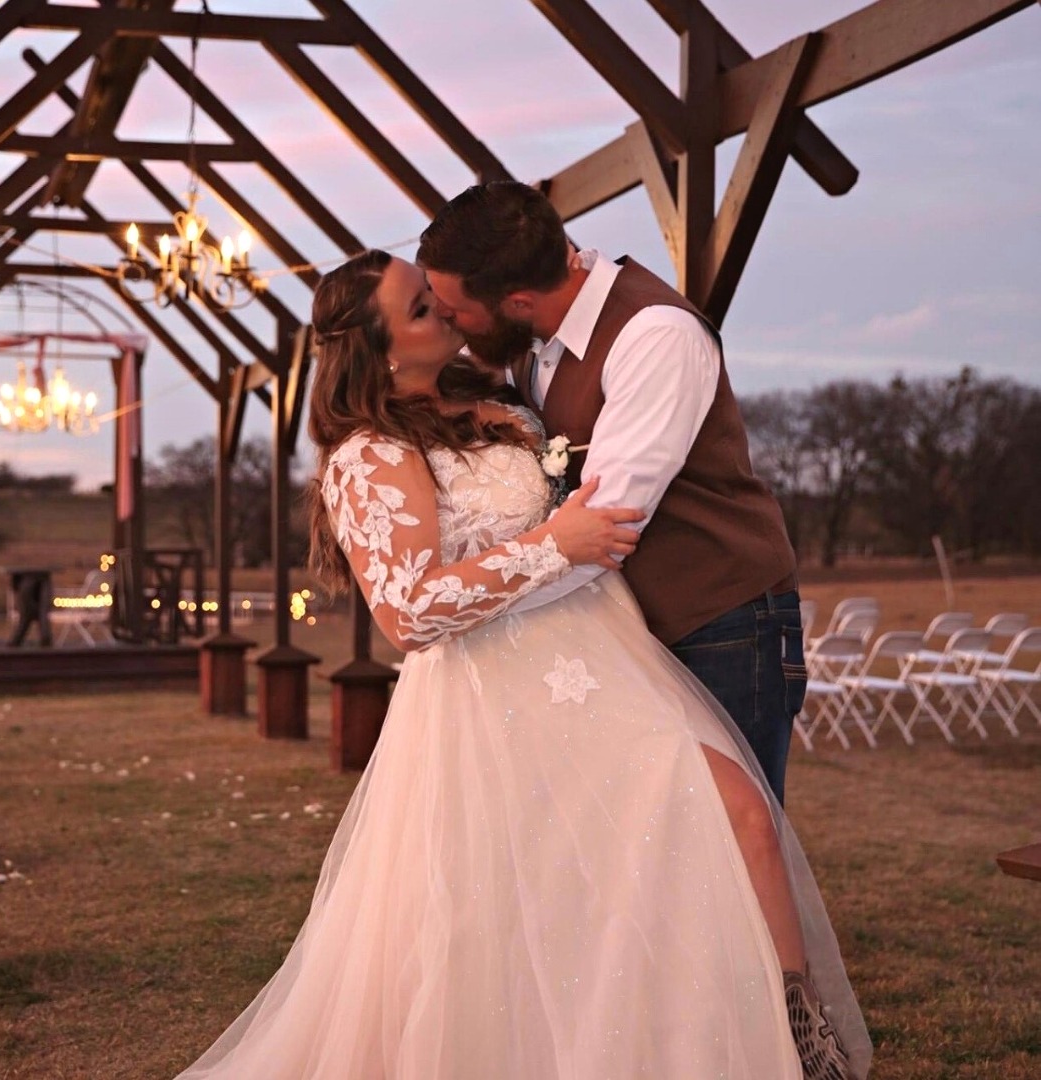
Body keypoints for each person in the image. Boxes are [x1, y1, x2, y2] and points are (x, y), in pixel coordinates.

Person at [173, 251, 869, 1080]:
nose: (446, 309)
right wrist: (554, 543)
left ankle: (790, 1038)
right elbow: (408, 612)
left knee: (734, 823)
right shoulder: (369, 454)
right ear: (380, 347)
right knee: (569, 889)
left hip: (609, 655)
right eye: (422, 306)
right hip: (501, 689)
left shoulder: (499, 403)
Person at [417, 181, 804, 805]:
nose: (447, 323)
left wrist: (470, 605)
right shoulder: (527, 338)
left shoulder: (655, 337)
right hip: (613, 631)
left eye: (455, 311)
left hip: (716, 623)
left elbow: (604, 527)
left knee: (732, 844)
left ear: (517, 301)